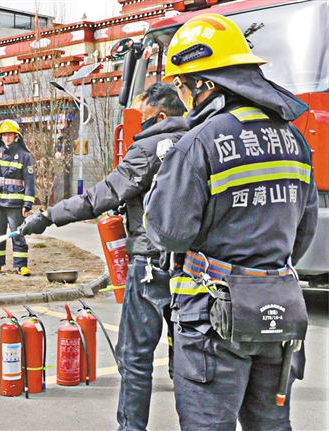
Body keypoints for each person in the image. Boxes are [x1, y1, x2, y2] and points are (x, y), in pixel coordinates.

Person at [142, 14, 317, 430]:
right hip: (277, 307)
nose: (182, 96)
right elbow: (304, 230)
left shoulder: (198, 143)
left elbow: (168, 233)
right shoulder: (293, 139)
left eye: (182, 85)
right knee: (271, 425)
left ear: (204, 83)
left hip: (212, 317)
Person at [17, 83, 188, 430]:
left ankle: (131, 426)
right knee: (189, 353)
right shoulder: (199, 140)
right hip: (193, 266)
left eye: (144, 117)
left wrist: (48, 216)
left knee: (134, 356)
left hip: (151, 265)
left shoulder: (148, 149)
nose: (141, 123)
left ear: (161, 115)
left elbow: (100, 196)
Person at [0, 119, 35, 276]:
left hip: (15, 204)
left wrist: (27, 203)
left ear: (16, 136)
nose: (7, 137)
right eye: (4, 135)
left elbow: (30, 182)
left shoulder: (25, 156)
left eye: (10, 134)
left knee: (17, 233)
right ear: (1, 136)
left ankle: (21, 265)